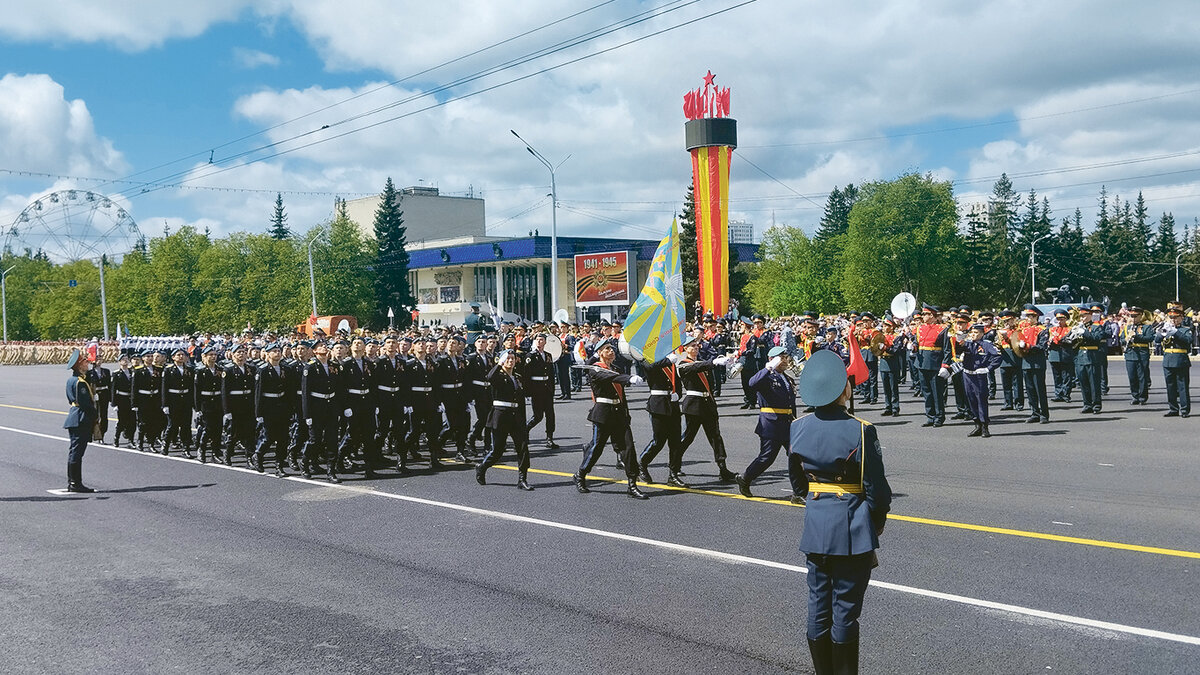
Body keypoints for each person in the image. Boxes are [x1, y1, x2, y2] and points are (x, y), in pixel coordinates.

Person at [789, 349, 891, 674]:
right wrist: (874, 525)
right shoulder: (862, 429)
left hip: (816, 526)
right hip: (852, 529)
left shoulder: (797, 427)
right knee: (845, 610)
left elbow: (798, 483)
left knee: (818, 606)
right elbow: (878, 491)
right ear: (843, 390)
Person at [572, 341, 650, 500]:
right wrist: (628, 378)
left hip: (618, 414)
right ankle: (580, 474)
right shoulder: (595, 369)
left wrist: (626, 414)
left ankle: (632, 484)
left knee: (628, 448)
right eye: (607, 349)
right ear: (600, 352)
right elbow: (609, 377)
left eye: (612, 349)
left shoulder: (616, 369)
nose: (611, 351)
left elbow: (622, 396)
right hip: (603, 414)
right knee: (596, 448)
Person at [735, 346, 805, 502]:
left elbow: (790, 404)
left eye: (786, 357)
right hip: (771, 423)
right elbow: (752, 383)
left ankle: (798, 493)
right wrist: (768, 368)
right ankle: (745, 478)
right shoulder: (765, 376)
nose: (785, 360)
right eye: (781, 358)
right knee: (767, 458)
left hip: (787, 424)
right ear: (772, 359)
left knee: (796, 457)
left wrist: (795, 421)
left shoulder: (788, 379)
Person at [474, 348, 534, 490]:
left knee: (523, 447)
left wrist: (524, 422)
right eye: (507, 358)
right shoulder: (498, 376)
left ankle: (522, 479)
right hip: (500, 415)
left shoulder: (517, 377)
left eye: (513, 359)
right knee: (497, 451)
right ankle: (482, 466)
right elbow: (489, 377)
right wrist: (499, 364)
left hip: (516, 416)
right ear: (501, 360)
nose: (511, 361)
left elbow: (520, 401)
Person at [64, 348, 99, 493]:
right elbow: (85, 404)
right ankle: (75, 483)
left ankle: (73, 482)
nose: (87, 364)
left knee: (75, 451)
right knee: (77, 452)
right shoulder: (80, 382)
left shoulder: (73, 380)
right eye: (85, 362)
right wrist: (96, 415)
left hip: (75, 416)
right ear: (79, 366)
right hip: (80, 418)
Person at [961, 324, 1002, 437]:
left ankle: (985, 426)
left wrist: (988, 368)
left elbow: (997, 356)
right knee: (971, 400)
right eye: (972, 332)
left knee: (981, 400)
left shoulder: (986, 344)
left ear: (982, 334)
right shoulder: (967, 343)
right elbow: (956, 349)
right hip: (967, 375)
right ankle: (977, 425)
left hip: (979, 376)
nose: (973, 334)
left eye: (976, 332)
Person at [1017, 305, 1051, 424]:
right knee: (1030, 389)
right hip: (1026, 362)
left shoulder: (1042, 329)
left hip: (1037, 362)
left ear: (1036, 316)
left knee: (1039, 389)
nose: (1028, 319)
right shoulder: (1024, 329)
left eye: (1030, 316)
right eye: (1027, 316)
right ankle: (1034, 412)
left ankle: (1044, 414)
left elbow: (1042, 346)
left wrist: (1028, 347)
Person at [1160, 306, 1192, 417]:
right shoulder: (1167, 327)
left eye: (1175, 317)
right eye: (1171, 317)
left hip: (1180, 360)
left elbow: (1188, 340)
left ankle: (1184, 409)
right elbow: (1156, 340)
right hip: (1168, 360)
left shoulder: (1185, 329)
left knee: (1182, 386)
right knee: (1170, 386)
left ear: (1181, 318)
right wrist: (1163, 332)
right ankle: (1173, 408)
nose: (1173, 319)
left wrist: (1175, 332)